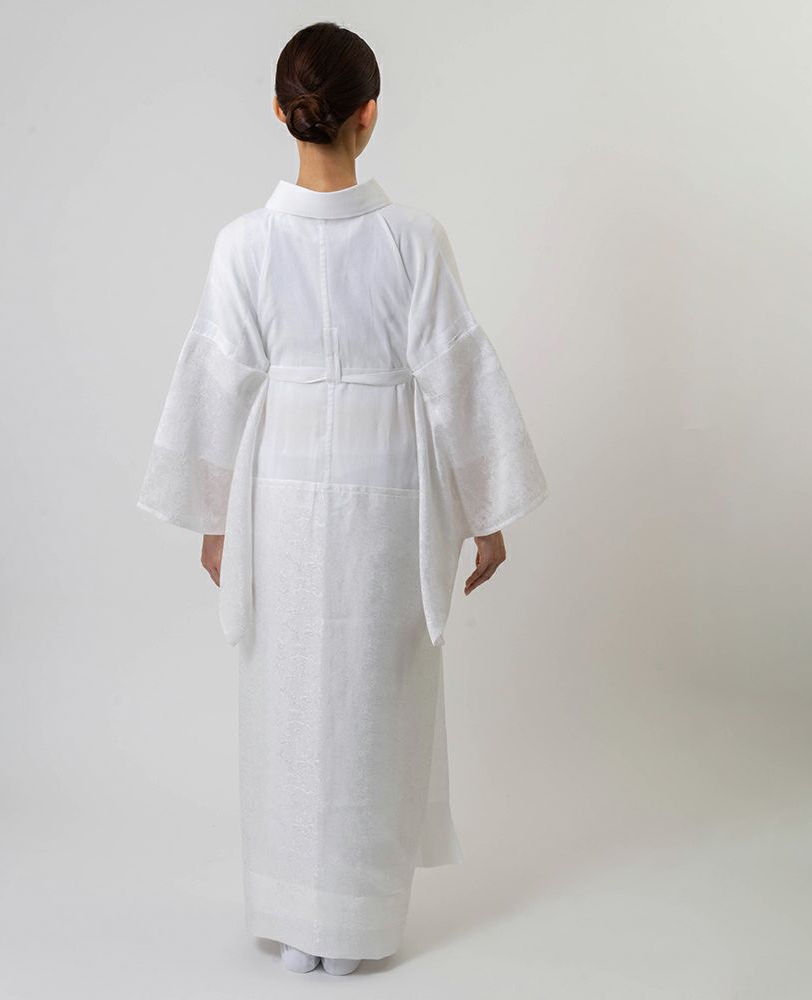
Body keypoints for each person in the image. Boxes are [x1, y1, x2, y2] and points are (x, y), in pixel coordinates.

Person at [137, 20, 549, 976]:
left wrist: (215, 519)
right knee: (373, 697)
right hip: (387, 488)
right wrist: (485, 510)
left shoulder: (244, 245)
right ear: (369, 115)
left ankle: (294, 920)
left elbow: (215, 379)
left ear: (281, 112)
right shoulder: (412, 240)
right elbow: (456, 370)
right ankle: (355, 926)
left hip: (280, 492)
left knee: (288, 696)